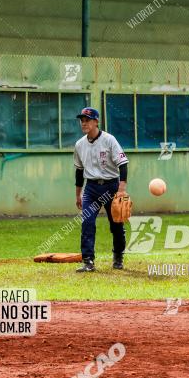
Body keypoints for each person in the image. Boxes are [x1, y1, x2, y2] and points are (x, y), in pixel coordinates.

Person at [73, 107, 128, 272]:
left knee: (116, 225)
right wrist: (78, 194)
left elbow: (123, 163)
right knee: (87, 223)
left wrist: (121, 189)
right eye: (82, 120)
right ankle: (88, 261)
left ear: (96, 122)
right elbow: (79, 171)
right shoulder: (79, 144)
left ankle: (118, 256)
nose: (84, 123)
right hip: (91, 188)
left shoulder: (109, 140)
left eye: (87, 120)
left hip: (111, 186)